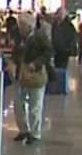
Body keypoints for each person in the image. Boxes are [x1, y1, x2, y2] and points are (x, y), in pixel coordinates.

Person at [11, 12, 54, 145]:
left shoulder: (40, 36)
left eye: (22, 26)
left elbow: (49, 52)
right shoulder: (19, 37)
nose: (20, 28)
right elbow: (16, 51)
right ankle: (24, 130)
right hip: (21, 72)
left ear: (29, 26)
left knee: (35, 104)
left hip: (36, 73)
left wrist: (36, 63)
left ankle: (35, 133)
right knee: (18, 103)